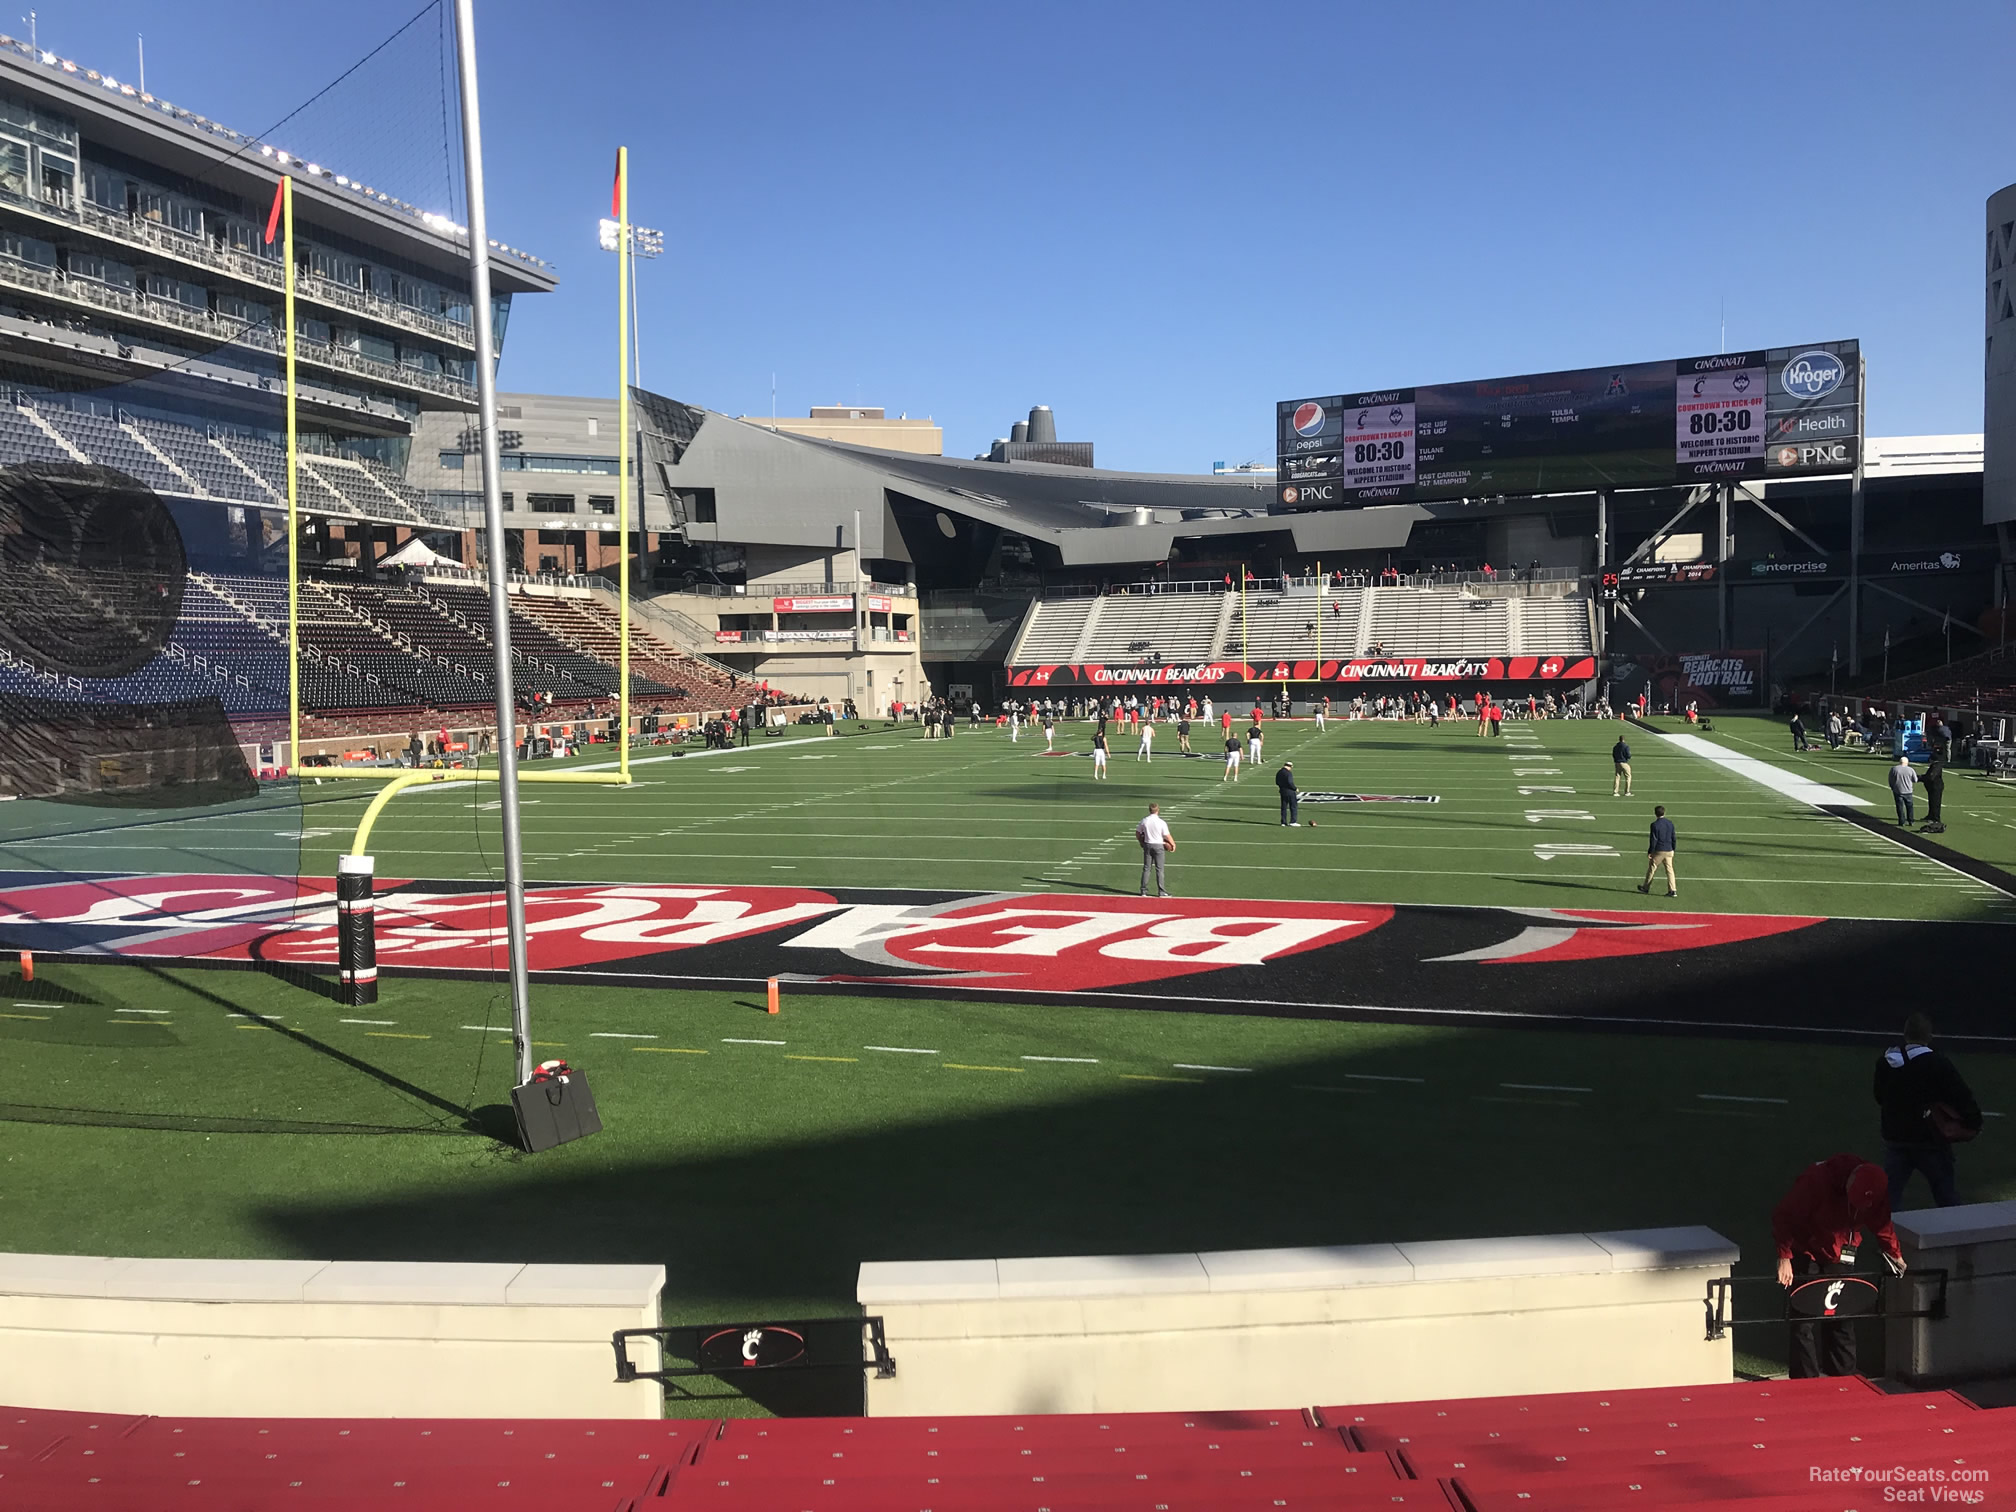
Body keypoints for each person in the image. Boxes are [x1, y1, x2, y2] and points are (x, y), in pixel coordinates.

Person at [1772, 1154, 1903, 1378]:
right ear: (1849, 1183)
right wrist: (1784, 1257)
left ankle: (1843, 1376)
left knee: (1842, 1315)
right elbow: (1785, 1215)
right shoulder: (1815, 1181)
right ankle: (1805, 1382)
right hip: (1808, 1252)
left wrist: (1894, 1253)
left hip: (1843, 1253)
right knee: (1804, 1321)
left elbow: (1882, 1221)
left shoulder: (1875, 1186)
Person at [1874, 1013, 1981, 1208]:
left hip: (1896, 1138)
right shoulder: (1938, 1064)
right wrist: (1973, 1123)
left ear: (1905, 1034)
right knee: (1947, 1197)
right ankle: (1958, 1235)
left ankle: (1888, 1237)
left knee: (1888, 1200)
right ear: (1928, 1036)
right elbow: (1961, 1096)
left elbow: (1880, 1097)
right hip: (1930, 1140)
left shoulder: (1886, 1062)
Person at [1135, 802, 1175, 897]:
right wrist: (1173, 844)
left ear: (1149, 810)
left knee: (1146, 868)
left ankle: (1143, 891)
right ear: (1158, 810)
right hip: (1158, 846)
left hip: (1148, 845)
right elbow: (1167, 835)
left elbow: (1137, 833)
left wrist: (1141, 842)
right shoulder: (1161, 822)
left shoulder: (1144, 820)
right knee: (1159, 869)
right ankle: (1161, 892)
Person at [1637, 804, 1677, 897]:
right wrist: (1673, 848)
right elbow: (1673, 837)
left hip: (1659, 850)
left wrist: (1650, 851)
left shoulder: (1655, 825)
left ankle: (1645, 887)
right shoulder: (1670, 823)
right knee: (1670, 870)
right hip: (1669, 849)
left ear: (1655, 814)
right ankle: (1673, 890)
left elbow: (1653, 839)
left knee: (1652, 868)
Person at [1888, 753, 1918, 825]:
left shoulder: (1894, 769)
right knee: (1909, 807)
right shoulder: (1910, 769)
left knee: (1899, 807)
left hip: (1898, 790)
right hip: (1908, 791)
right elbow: (1915, 780)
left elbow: (1890, 779)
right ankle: (1911, 821)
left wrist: (1893, 787)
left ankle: (1901, 821)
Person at [1922, 751, 1945, 831]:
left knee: (1935, 802)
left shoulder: (1936, 766)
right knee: (1931, 801)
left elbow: (1931, 777)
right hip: (1932, 787)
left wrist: (1921, 778)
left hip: (1936, 787)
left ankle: (1936, 818)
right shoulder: (1935, 765)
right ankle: (1931, 815)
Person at [1276, 761, 1300, 827]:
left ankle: (1283, 822)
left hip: (1282, 791)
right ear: (1289, 766)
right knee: (1293, 806)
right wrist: (1295, 788)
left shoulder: (1279, 772)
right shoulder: (1288, 773)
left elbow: (1277, 782)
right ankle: (1293, 821)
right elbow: (1290, 782)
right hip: (1290, 792)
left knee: (1284, 807)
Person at [1612, 734, 1633, 798]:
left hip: (1617, 763)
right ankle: (1627, 792)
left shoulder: (1615, 746)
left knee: (1617, 777)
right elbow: (1628, 755)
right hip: (1624, 763)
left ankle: (1615, 792)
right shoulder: (1626, 746)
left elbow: (1613, 754)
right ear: (1624, 739)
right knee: (1628, 777)